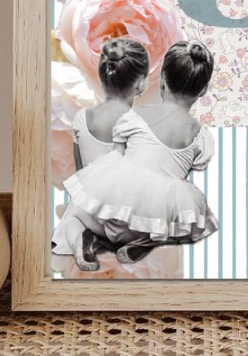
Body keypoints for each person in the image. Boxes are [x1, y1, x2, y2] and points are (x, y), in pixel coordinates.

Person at [55, 41, 218, 271]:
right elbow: (195, 165)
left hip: (115, 220)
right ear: (203, 90)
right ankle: (147, 242)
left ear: (162, 81)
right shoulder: (200, 136)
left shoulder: (135, 116)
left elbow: (115, 164)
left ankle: (83, 241)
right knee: (191, 223)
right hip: (153, 226)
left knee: (74, 216)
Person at [52, 37, 149, 271]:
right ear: (140, 84)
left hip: (92, 214)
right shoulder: (142, 124)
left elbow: (80, 173)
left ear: (102, 77)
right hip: (127, 220)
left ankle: (83, 240)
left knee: (72, 219)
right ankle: (134, 243)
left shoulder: (81, 119)